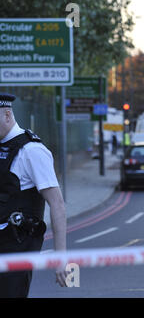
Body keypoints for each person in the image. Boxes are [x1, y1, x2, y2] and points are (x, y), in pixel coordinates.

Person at [0, 93, 67, 297]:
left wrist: (61, 258)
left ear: (8, 115)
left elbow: (57, 203)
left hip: (17, 246)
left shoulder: (32, 151)